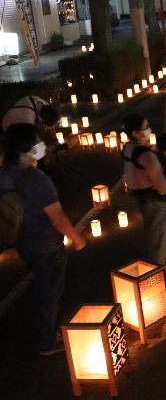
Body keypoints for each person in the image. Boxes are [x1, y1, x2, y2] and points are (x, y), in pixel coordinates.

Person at [0, 123, 86, 355]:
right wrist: (77, 239)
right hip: (47, 246)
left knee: (41, 284)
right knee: (49, 292)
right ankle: (47, 341)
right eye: (37, 141)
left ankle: (44, 328)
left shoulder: (4, 174)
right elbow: (57, 219)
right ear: (26, 148)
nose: (42, 145)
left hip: (23, 244)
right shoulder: (38, 180)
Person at [121, 114, 166, 267]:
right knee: (159, 234)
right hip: (153, 198)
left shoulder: (128, 148)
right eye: (145, 128)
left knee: (164, 227)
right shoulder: (147, 156)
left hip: (139, 196)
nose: (149, 130)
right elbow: (163, 188)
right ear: (135, 134)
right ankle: (156, 274)